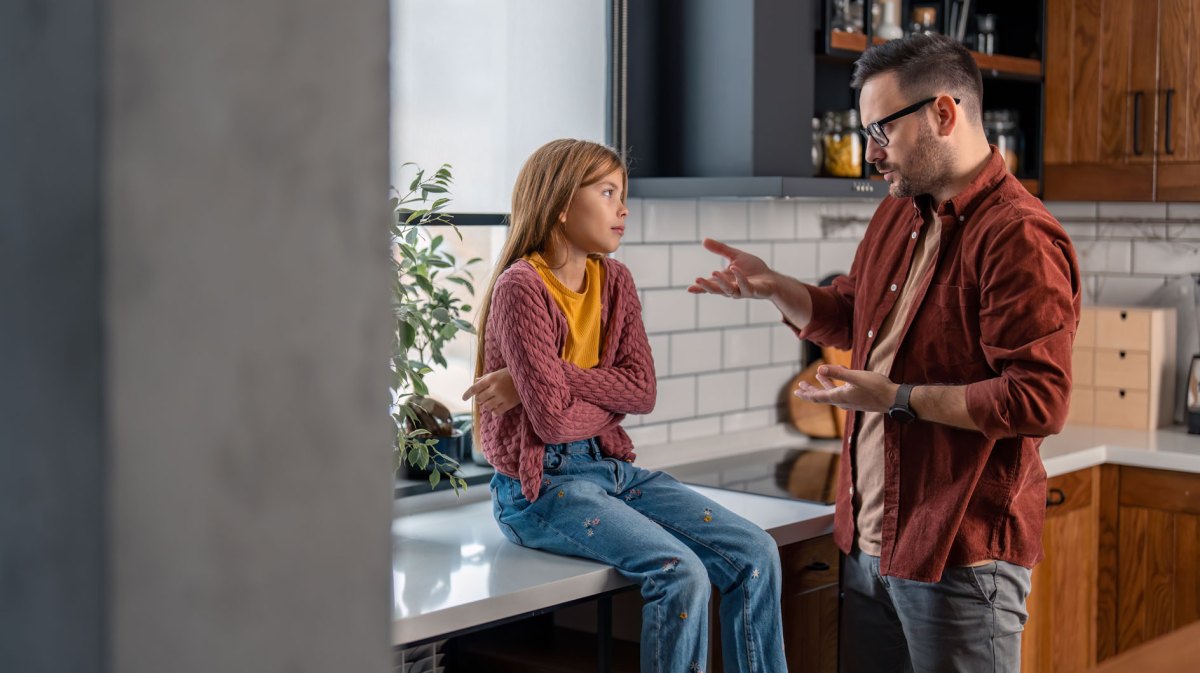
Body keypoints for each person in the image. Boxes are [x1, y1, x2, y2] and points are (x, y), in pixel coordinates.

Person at [690, 34, 1080, 673]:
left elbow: (1038, 398)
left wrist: (896, 399)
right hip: (873, 544)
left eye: (881, 130)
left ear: (944, 114)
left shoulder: (1017, 236)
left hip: (961, 556)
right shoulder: (901, 214)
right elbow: (854, 310)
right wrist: (775, 287)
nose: (871, 153)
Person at [463, 138, 787, 673]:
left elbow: (642, 392)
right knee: (679, 571)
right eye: (608, 192)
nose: (623, 208)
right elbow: (553, 421)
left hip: (611, 470)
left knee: (756, 552)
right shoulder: (520, 287)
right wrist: (573, 393)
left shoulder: (615, 280)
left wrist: (542, 377)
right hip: (539, 488)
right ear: (562, 203)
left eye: (623, 194)